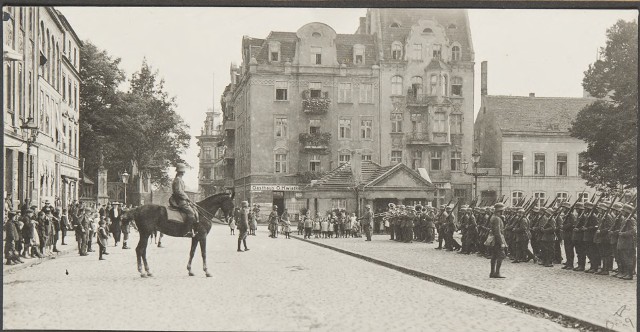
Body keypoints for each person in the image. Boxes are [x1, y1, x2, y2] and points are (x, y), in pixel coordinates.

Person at [169, 163, 199, 237]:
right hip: (179, 201)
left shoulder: (179, 180)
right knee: (191, 214)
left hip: (181, 200)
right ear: (181, 172)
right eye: (182, 172)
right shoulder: (178, 180)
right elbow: (178, 191)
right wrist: (187, 197)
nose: (183, 173)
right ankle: (187, 231)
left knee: (194, 209)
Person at [489, 203, 507, 278]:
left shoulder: (494, 217)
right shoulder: (497, 218)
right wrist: (501, 243)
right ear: (500, 211)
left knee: (494, 256)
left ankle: (492, 272)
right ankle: (497, 273)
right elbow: (497, 232)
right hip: (497, 240)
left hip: (494, 240)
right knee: (501, 255)